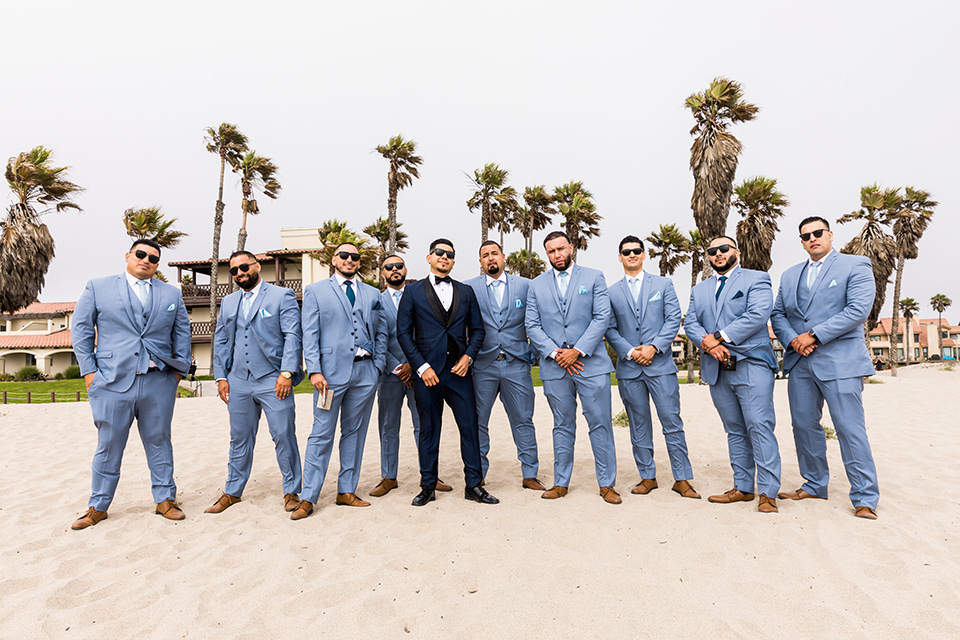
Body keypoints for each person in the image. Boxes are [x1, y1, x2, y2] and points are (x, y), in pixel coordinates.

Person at [70, 238, 191, 529]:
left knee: (160, 441)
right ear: (128, 255)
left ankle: (165, 500)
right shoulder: (98, 287)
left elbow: (182, 331)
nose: (146, 260)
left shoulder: (170, 293)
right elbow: (81, 328)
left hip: (158, 381)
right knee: (108, 444)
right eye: (140, 254)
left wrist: (178, 373)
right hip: (111, 381)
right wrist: (89, 372)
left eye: (153, 258)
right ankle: (98, 506)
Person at [771, 216, 880, 520]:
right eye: (805, 236)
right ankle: (815, 483)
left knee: (849, 428)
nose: (812, 238)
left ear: (830, 235)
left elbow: (858, 310)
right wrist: (794, 340)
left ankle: (865, 497)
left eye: (817, 233)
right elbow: (778, 314)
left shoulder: (855, 265)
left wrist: (814, 335)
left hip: (841, 361)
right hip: (801, 362)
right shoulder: (791, 275)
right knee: (804, 426)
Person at [396, 238, 499, 507]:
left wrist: (468, 357)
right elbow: (404, 333)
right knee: (429, 429)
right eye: (439, 253)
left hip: (459, 372)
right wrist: (421, 367)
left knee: (470, 428)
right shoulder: (412, 292)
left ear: (453, 261)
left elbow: (478, 330)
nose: (445, 257)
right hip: (427, 373)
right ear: (429, 257)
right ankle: (428, 485)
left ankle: (474, 485)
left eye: (450, 255)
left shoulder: (466, 292)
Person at [685, 236, 781, 514]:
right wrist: (707, 344)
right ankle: (742, 487)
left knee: (759, 426)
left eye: (723, 249)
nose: (718, 254)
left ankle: (768, 493)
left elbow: (758, 314)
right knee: (734, 430)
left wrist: (717, 338)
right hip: (717, 368)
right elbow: (690, 321)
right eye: (712, 251)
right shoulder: (699, 289)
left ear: (736, 251)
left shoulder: (756, 279)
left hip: (752, 364)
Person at [204, 250, 304, 516]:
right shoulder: (228, 302)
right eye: (234, 270)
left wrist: (286, 373)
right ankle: (232, 491)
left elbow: (293, 335)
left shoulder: (280, 295)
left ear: (257, 266)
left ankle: (292, 491)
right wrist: (221, 377)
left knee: (283, 434)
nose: (240, 273)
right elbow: (222, 340)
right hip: (238, 380)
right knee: (239, 438)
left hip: (273, 378)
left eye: (244, 267)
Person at [291, 243, 386, 520]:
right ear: (334, 260)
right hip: (328, 378)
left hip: (365, 373)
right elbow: (309, 335)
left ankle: (346, 490)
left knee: (354, 434)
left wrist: (378, 366)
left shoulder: (372, 293)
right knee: (321, 434)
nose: (349, 260)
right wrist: (315, 371)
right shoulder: (316, 291)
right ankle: (308, 496)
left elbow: (381, 332)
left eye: (354, 257)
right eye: (344, 255)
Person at [525, 231, 621, 504]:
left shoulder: (594, 277)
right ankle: (560, 482)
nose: (557, 255)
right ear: (547, 254)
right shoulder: (536, 285)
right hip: (555, 368)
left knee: (600, 424)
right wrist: (557, 354)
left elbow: (602, 317)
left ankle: (606, 484)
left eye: (561, 249)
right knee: (562, 425)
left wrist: (577, 351)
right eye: (551, 251)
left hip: (591, 364)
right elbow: (532, 325)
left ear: (571, 248)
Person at [605, 235, 699, 499]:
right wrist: (630, 351)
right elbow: (610, 327)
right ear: (620, 257)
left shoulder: (663, 284)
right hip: (629, 368)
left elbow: (672, 320)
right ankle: (647, 476)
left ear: (644, 254)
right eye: (626, 252)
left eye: (636, 250)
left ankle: (682, 478)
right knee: (638, 424)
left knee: (672, 422)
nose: (632, 255)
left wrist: (654, 347)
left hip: (660, 366)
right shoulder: (611, 292)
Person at [369, 255, 453, 497]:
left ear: (406, 269)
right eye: (389, 267)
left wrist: (412, 365)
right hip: (389, 373)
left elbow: (429, 332)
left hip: (419, 371)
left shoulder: (420, 293)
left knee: (425, 425)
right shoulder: (376, 300)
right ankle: (388, 476)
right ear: (382, 272)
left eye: (399, 266)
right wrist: (397, 367)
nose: (395, 270)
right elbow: (375, 337)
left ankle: (430, 475)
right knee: (388, 426)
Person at [465, 241, 544, 490]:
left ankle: (529, 474)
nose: (491, 259)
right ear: (480, 262)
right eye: (485, 255)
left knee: (523, 419)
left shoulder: (525, 285)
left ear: (503, 257)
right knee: (478, 421)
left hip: (517, 365)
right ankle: (479, 474)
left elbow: (537, 321)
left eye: (494, 254)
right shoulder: (468, 288)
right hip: (482, 366)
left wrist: (532, 354)